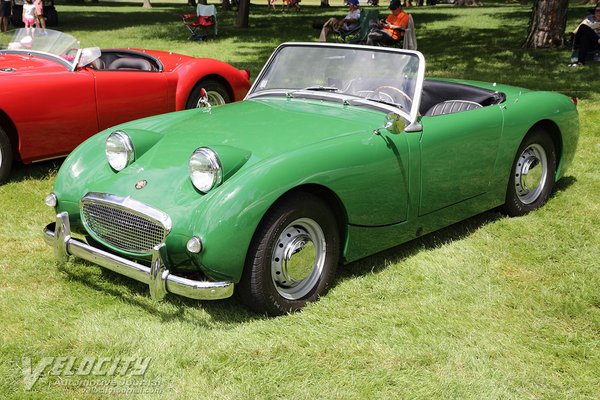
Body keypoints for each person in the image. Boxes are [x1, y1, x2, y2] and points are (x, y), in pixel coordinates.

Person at [569, 3, 600, 67]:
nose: (599, 13)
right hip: (580, 41)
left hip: (595, 44)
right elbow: (575, 32)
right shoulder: (588, 18)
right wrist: (592, 27)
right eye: (597, 11)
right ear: (594, 12)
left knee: (584, 37)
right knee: (583, 27)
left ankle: (580, 62)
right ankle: (598, 40)